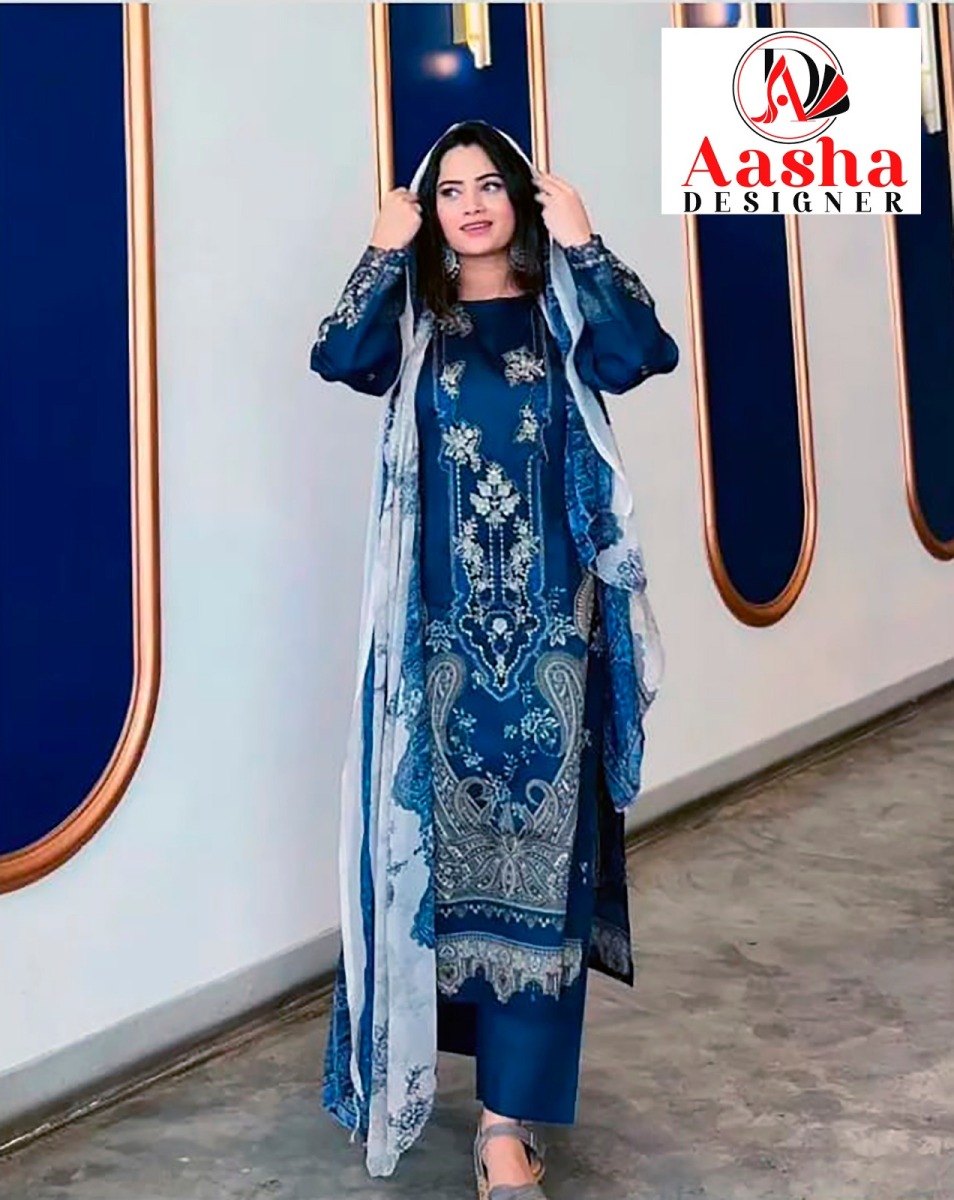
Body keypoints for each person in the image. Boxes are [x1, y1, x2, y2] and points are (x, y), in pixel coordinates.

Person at [310, 120, 678, 1198]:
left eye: (489, 186)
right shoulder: (415, 321)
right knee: (432, 873)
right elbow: (342, 358)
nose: (470, 205)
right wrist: (381, 252)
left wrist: (588, 243)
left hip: (554, 650)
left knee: (540, 885)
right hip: (432, 651)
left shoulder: (564, 314)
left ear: (523, 199)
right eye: (449, 190)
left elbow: (638, 355)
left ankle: (505, 1122)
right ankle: (427, 1069)